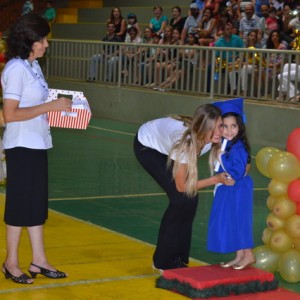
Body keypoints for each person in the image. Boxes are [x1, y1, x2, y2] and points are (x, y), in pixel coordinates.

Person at [1, 13, 71, 284]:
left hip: (38, 142)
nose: (46, 45)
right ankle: (10, 262)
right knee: (20, 205)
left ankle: (39, 260)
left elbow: (38, 105)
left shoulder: (33, 66)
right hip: (21, 145)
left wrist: (67, 108)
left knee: (36, 204)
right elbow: (11, 114)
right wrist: (51, 106)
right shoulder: (16, 69)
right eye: (42, 40)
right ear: (29, 41)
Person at [134, 104, 234, 271]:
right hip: (147, 146)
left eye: (221, 126)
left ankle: (179, 258)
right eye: (215, 128)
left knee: (191, 199)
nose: (220, 132)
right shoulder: (186, 144)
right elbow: (181, 187)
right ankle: (162, 261)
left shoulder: (212, 138)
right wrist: (215, 179)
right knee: (180, 199)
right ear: (203, 128)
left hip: (169, 146)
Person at [207, 98, 255, 270]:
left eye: (233, 126)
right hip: (230, 188)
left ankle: (248, 254)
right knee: (233, 220)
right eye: (224, 126)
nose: (229, 130)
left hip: (239, 188)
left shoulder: (239, 146)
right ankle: (239, 255)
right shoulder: (226, 144)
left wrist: (221, 157)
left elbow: (237, 172)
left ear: (239, 126)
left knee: (240, 220)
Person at [214, 21, 244, 94]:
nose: (230, 31)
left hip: (237, 63)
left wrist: (240, 59)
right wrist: (219, 63)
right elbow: (215, 56)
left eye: (231, 29)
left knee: (241, 69)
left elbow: (243, 51)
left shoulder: (237, 39)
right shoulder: (218, 43)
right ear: (223, 31)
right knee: (230, 68)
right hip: (224, 64)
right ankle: (233, 90)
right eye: (228, 29)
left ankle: (242, 90)